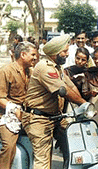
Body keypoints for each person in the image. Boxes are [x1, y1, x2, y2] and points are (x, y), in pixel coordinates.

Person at [22, 34, 87, 168]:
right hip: (38, 118)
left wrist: (84, 103)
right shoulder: (45, 68)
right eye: (64, 51)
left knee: (74, 144)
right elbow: (63, 90)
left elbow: (71, 86)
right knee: (43, 159)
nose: (67, 54)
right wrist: (84, 103)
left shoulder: (58, 68)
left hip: (55, 117)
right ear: (55, 53)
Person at [0, 42, 38, 169]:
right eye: (33, 55)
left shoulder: (30, 72)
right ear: (23, 54)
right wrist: (14, 109)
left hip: (25, 114)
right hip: (5, 115)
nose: (35, 58)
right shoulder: (5, 71)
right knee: (9, 146)